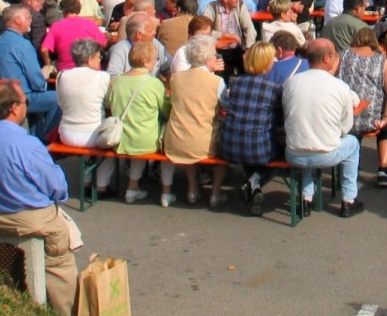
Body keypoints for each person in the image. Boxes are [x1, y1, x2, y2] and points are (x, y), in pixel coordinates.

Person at [0, 82, 80, 316]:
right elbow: (58, 188)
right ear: (14, 108)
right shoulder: (27, 145)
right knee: (60, 263)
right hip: (32, 219)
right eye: (24, 103)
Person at [283, 39, 365, 217]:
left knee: (306, 138)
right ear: (328, 58)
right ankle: (348, 199)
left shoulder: (291, 83)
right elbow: (346, 127)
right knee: (353, 144)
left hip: (294, 153)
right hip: (326, 154)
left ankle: (307, 197)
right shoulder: (340, 87)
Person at [162, 35, 227, 208]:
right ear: (207, 58)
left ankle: (192, 189)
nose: (216, 57)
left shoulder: (177, 78)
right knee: (225, 149)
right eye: (215, 55)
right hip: (203, 142)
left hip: (176, 139)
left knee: (189, 137)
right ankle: (215, 192)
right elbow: (226, 106)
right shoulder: (217, 81)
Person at [220, 43, 285, 216]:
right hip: (258, 148)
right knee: (279, 149)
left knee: (253, 140)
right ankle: (253, 181)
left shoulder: (236, 83)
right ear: (266, 62)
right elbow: (280, 120)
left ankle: (253, 186)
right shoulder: (275, 88)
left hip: (229, 144)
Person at [0, 5, 60, 140]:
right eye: (28, 18)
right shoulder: (22, 44)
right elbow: (37, 82)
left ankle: (37, 136)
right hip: (20, 96)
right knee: (60, 98)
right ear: (17, 20)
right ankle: (46, 140)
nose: (31, 21)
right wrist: (44, 79)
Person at [106, 41, 169, 204]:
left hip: (121, 138)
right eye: (154, 59)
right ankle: (166, 190)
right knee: (169, 135)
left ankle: (132, 188)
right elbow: (166, 111)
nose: (155, 63)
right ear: (145, 61)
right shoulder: (154, 83)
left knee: (138, 138)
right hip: (146, 139)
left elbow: (110, 105)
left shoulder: (117, 81)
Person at [338, 27, 387, 187]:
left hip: (346, 115)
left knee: (353, 131)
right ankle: (383, 169)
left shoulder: (343, 55)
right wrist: (386, 117)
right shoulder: (381, 61)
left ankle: (353, 168)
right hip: (372, 117)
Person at [56, 39, 116, 194]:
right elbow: (110, 103)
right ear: (90, 59)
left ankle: (87, 180)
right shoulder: (102, 77)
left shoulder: (62, 76)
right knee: (110, 143)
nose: (100, 61)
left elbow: (61, 104)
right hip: (93, 134)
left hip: (66, 133)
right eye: (99, 58)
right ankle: (102, 185)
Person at [106, 13, 169, 78]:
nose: (154, 33)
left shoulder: (155, 44)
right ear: (139, 34)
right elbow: (113, 78)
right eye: (151, 30)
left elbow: (168, 68)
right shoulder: (120, 50)